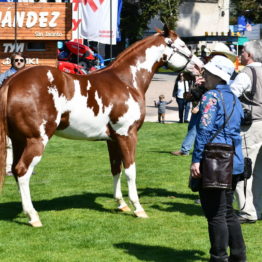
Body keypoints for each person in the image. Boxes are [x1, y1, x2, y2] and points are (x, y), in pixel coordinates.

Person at [190, 55, 246, 262]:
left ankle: (218, 257)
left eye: (206, 72)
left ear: (215, 75)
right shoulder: (233, 96)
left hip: (214, 160)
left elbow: (203, 131)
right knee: (228, 212)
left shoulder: (210, 97)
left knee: (215, 214)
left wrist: (196, 160)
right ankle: (239, 256)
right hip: (234, 159)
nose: (204, 75)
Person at [171, 43, 237, 156]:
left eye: (214, 54)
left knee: (202, 129)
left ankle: (188, 150)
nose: (210, 56)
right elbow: (202, 90)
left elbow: (216, 93)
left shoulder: (226, 73)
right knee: (194, 128)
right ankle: (188, 149)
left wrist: (198, 104)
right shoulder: (210, 69)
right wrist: (193, 93)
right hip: (204, 105)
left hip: (210, 107)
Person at [230, 39, 262, 224]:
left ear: (249, 55)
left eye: (242, 51)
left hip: (252, 127)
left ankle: (247, 211)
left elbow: (231, 95)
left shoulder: (246, 73)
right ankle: (258, 208)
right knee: (260, 171)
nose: (240, 54)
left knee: (244, 170)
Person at [0, 52, 26, 175]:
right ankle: (8, 167)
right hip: (8, 114)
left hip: (25, 114)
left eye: (21, 60)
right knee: (9, 142)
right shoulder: (4, 77)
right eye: (16, 60)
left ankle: (23, 166)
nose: (19, 62)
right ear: (12, 62)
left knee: (26, 141)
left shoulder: (28, 77)